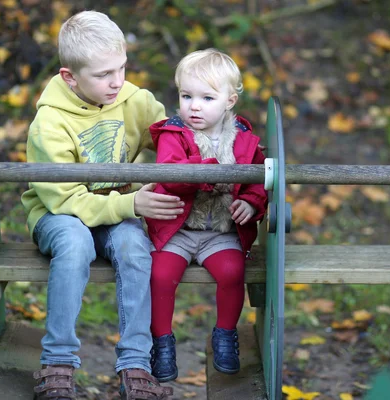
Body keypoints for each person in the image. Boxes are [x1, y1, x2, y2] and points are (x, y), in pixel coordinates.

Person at [21, 10, 179, 400]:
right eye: (103, 74)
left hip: (117, 208)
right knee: (76, 242)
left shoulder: (135, 101)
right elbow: (68, 199)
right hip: (58, 215)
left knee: (134, 246)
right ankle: (57, 363)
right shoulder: (50, 123)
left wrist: (140, 175)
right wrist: (132, 203)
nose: (117, 81)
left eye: (121, 68)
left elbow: (171, 144)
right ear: (69, 77)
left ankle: (136, 365)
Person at [145, 48, 268, 382]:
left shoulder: (244, 139)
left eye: (206, 97)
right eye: (186, 96)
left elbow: (259, 180)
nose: (194, 106)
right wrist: (210, 170)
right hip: (178, 229)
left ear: (229, 101)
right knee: (160, 275)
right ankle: (162, 341)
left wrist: (252, 203)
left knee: (232, 271)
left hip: (221, 232)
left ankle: (225, 335)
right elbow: (171, 174)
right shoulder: (174, 134)